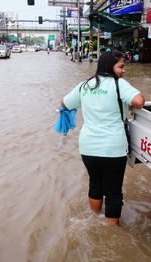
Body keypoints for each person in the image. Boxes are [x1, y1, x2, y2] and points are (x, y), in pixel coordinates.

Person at [61, 50, 145, 225]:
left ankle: (95, 219)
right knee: (113, 191)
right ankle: (111, 231)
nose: (124, 70)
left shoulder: (84, 86)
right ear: (110, 66)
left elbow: (65, 103)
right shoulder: (118, 84)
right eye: (121, 66)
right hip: (113, 147)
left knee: (95, 184)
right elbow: (139, 101)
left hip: (88, 146)